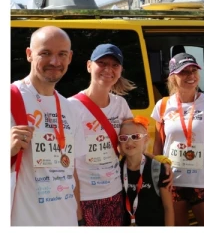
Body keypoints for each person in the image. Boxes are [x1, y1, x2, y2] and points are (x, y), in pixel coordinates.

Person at [11, 26, 86, 227]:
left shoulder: (70, 108)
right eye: (45, 53)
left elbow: (71, 169)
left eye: (61, 54)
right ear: (29, 54)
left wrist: (77, 216)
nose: (55, 62)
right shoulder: (9, 99)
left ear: (69, 57)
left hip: (65, 220)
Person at [152, 52, 204, 226]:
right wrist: (158, 178)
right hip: (172, 184)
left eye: (194, 70)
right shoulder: (163, 105)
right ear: (172, 77)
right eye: (184, 72)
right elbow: (158, 144)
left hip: (202, 183)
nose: (191, 75)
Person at [71, 43, 135, 225]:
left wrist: (159, 166)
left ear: (121, 70)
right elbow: (68, 164)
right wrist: (77, 212)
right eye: (102, 63)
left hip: (114, 193)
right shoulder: (71, 107)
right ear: (89, 66)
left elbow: (133, 145)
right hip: (84, 197)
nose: (109, 69)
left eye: (115, 65)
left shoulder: (121, 105)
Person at [118, 116, 174, 226]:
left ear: (146, 139)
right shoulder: (116, 170)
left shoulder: (158, 169)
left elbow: (168, 208)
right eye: (124, 138)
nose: (129, 142)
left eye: (135, 136)